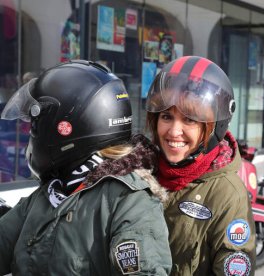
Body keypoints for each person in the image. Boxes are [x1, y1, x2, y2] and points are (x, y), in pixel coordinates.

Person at [0, 60, 172, 275]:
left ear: (66, 128)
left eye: (36, 125)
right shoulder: (52, 192)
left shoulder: (128, 201)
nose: (32, 134)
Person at [146, 56, 256, 276]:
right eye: (167, 116)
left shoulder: (227, 195)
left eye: (189, 119)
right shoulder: (140, 172)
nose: (174, 131)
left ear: (213, 126)